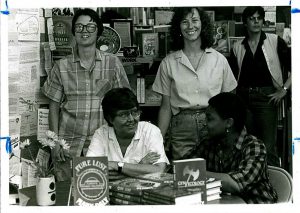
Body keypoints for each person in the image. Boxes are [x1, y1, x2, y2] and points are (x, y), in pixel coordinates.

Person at [42, 8, 130, 180]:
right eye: (79, 27)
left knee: (100, 193)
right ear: (73, 31)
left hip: (104, 143)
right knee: (67, 196)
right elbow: (53, 108)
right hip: (68, 146)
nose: (84, 32)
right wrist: (54, 145)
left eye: (90, 27)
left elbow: (124, 104)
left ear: (98, 31)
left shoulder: (112, 63)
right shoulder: (61, 66)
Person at [152, 7, 237, 160]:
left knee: (215, 174)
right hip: (182, 129)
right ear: (178, 27)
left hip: (215, 125)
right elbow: (165, 107)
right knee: (186, 177)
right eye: (184, 22)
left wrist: (234, 132)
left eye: (195, 20)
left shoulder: (219, 60)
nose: (190, 26)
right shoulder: (168, 63)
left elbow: (230, 103)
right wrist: (157, 141)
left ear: (203, 24)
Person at [185, 92, 278, 204]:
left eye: (209, 119)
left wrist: (194, 174)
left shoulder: (254, 146)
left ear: (229, 123)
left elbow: (236, 184)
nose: (205, 124)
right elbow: (179, 167)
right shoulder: (207, 143)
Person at [229, 6, 291, 166]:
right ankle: (253, 184)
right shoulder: (237, 46)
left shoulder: (275, 41)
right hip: (243, 99)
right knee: (248, 145)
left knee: (268, 146)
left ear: (263, 21)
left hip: (267, 98)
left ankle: (273, 186)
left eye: (259, 18)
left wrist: (284, 90)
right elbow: (231, 78)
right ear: (245, 22)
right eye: (252, 18)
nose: (256, 21)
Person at [86, 88, 169, 176]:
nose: (131, 119)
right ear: (110, 119)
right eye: (123, 115)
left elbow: (159, 170)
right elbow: (92, 171)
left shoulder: (150, 130)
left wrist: (116, 165)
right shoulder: (101, 134)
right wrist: (139, 166)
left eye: (134, 112)